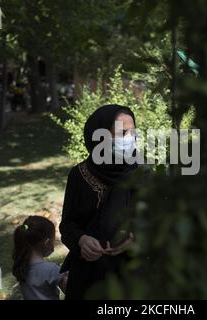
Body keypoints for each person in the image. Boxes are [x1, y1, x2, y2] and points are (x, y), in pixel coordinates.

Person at [59, 104, 140, 300]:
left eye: (133, 132)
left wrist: (135, 237)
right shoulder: (79, 175)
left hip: (131, 275)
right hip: (89, 276)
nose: (130, 139)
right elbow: (67, 226)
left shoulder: (141, 173)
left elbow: (156, 222)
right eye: (122, 133)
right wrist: (81, 240)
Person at [12, 215, 67, 300]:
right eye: (54, 240)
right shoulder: (51, 270)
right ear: (48, 243)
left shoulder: (22, 265)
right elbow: (73, 292)